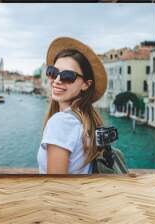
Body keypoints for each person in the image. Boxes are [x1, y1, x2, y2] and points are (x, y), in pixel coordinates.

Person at [37, 37, 108, 174]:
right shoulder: (86, 120)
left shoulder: (61, 122)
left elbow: (56, 189)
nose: (57, 81)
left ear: (86, 85)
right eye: (53, 72)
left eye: (67, 76)